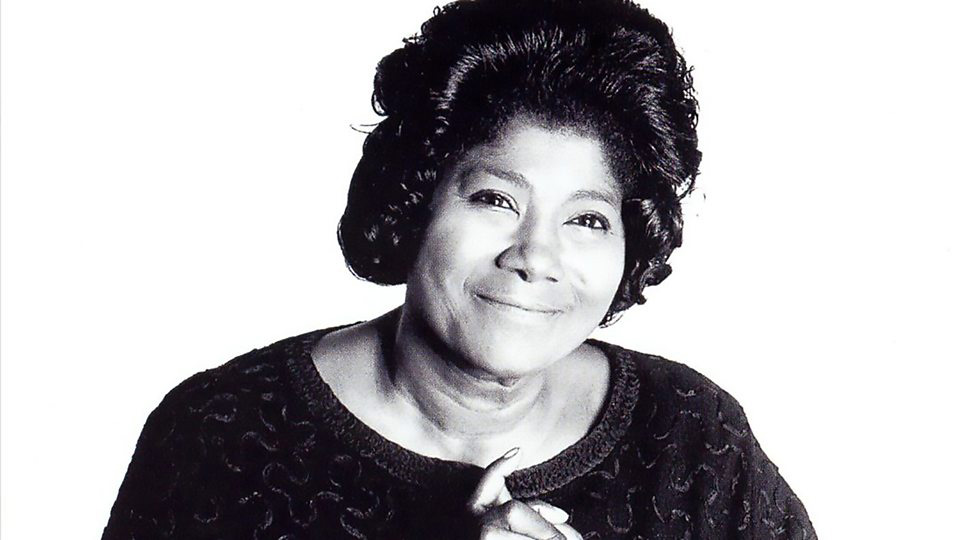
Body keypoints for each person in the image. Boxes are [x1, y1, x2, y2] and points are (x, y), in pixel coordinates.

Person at [103, 0, 816, 538]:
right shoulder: (223, 434)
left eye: (588, 219)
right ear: (414, 202)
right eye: (496, 200)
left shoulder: (692, 435)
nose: (535, 256)